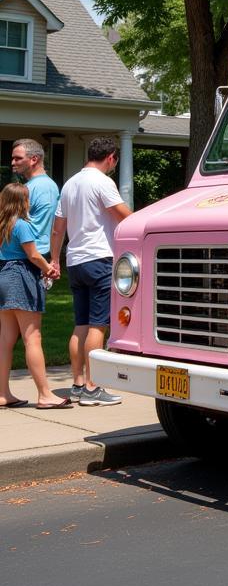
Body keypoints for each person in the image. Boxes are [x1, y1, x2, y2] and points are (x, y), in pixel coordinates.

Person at [50, 136, 132, 406]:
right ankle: (93, 388)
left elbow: (58, 228)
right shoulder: (102, 182)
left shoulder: (70, 184)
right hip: (99, 259)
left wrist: (55, 259)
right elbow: (124, 216)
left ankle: (76, 385)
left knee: (81, 325)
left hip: (75, 261)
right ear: (110, 158)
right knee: (98, 325)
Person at [0, 183, 69, 408]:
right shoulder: (22, 225)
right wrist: (49, 268)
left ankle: (2, 394)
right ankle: (45, 395)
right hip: (20, 278)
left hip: (3, 277)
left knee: (5, 340)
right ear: (23, 202)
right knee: (33, 338)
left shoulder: (2, 226)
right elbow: (32, 254)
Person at [11, 138, 60, 264]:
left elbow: (39, 228)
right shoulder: (34, 185)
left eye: (18, 158)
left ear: (34, 159)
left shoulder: (42, 186)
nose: (13, 162)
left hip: (28, 259)